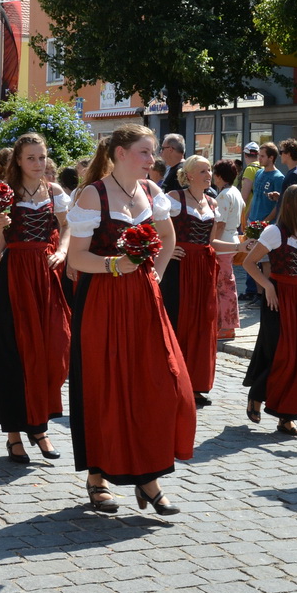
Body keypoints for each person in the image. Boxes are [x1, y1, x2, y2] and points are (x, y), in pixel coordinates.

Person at [65, 124, 195, 515]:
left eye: (152, 152)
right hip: (103, 301)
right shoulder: (93, 194)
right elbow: (77, 258)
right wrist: (117, 266)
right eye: (144, 152)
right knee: (105, 385)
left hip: (143, 301)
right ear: (120, 153)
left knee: (156, 383)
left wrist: (153, 275)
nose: (151, 160)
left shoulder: (153, 192)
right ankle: (97, 478)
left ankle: (147, 477)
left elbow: (169, 238)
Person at [0, 134, 70, 461]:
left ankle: (39, 425)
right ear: (18, 161)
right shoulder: (5, 194)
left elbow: (68, 227)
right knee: (13, 354)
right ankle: (16, 434)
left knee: (52, 349)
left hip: (45, 277)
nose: (38, 164)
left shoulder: (54, 192)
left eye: (42, 157)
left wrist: (63, 250)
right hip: (14, 278)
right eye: (31, 158)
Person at [242, 183, 297, 435]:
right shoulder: (275, 232)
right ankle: (257, 394)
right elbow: (249, 262)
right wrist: (267, 286)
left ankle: (286, 418)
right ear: (290, 205)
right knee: (278, 353)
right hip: (277, 297)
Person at [163, 155, 226, 409]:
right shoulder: (174, 200)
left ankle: (196, 384)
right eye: (202, 171)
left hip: (203, 269)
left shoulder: (212, 203)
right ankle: (172, 381)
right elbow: (151, 228)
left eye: (209, 170)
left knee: (203, 323)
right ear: (188, 175)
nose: (208, 174)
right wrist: (166, 249)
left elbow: (211, 243)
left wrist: (241, 245)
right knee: (178, 321)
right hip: (178, 268)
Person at [212, 161, 245, 340]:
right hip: (231, 239)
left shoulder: (224, 195)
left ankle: (226, 326)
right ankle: (225, 325)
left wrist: (211, 242)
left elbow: (220, 223)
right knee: (226, 285)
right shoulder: (235, 192)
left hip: (222, 243)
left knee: (224, 287)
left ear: (219, 176)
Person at [246, 142, 285, 225]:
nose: (259, 158)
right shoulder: (258, 173)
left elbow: (279, 204)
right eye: (259, 155)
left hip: (267, 224)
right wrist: (246, 216)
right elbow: (255, 195)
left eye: (262, 156)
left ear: (271, 158)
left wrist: (264, 222)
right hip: (252, 220)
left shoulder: (278, 177)